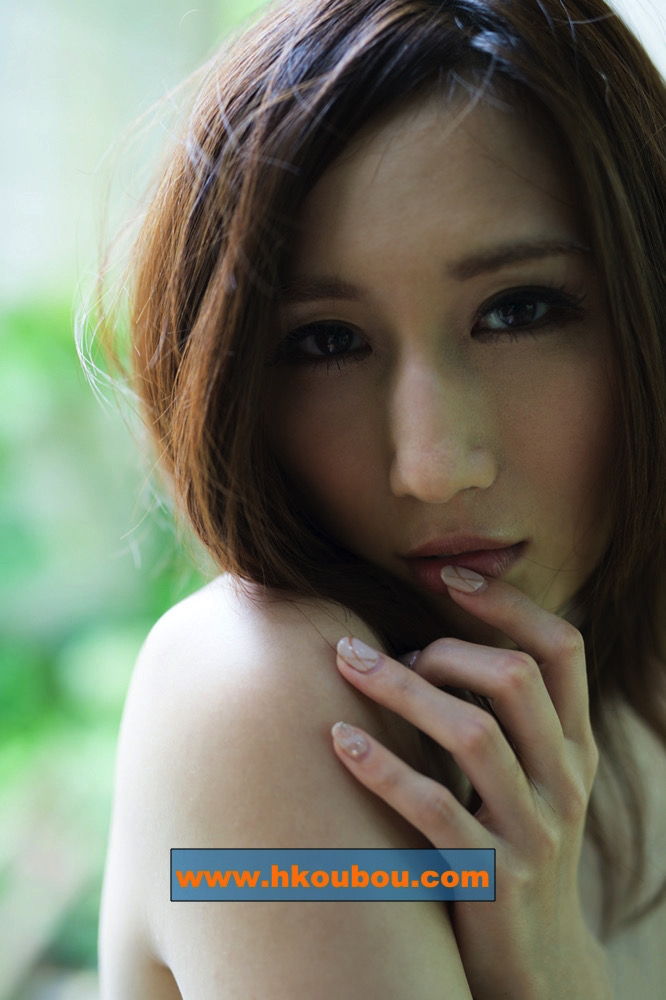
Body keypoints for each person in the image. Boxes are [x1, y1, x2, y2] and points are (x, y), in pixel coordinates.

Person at [90, 0, 666, 996]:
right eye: (326, 341)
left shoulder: (639, 673)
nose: (433, 465)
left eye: (519, 310)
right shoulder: (262, 691)